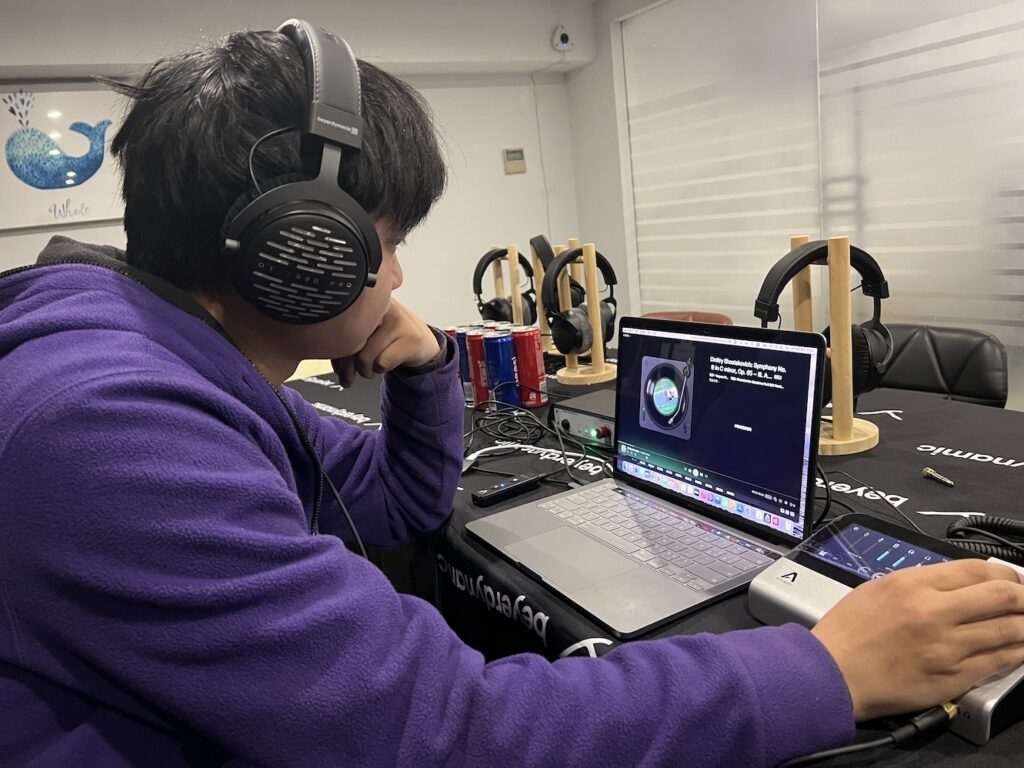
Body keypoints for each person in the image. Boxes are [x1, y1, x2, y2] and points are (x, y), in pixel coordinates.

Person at [2, 24, 1024, 768]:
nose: (398, 278)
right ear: (297, 256)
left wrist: (423, 373)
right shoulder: (113, 428)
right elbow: (446, 733)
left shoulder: (155, 365)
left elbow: (393, 506)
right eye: (386, 246)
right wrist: (829, 670)